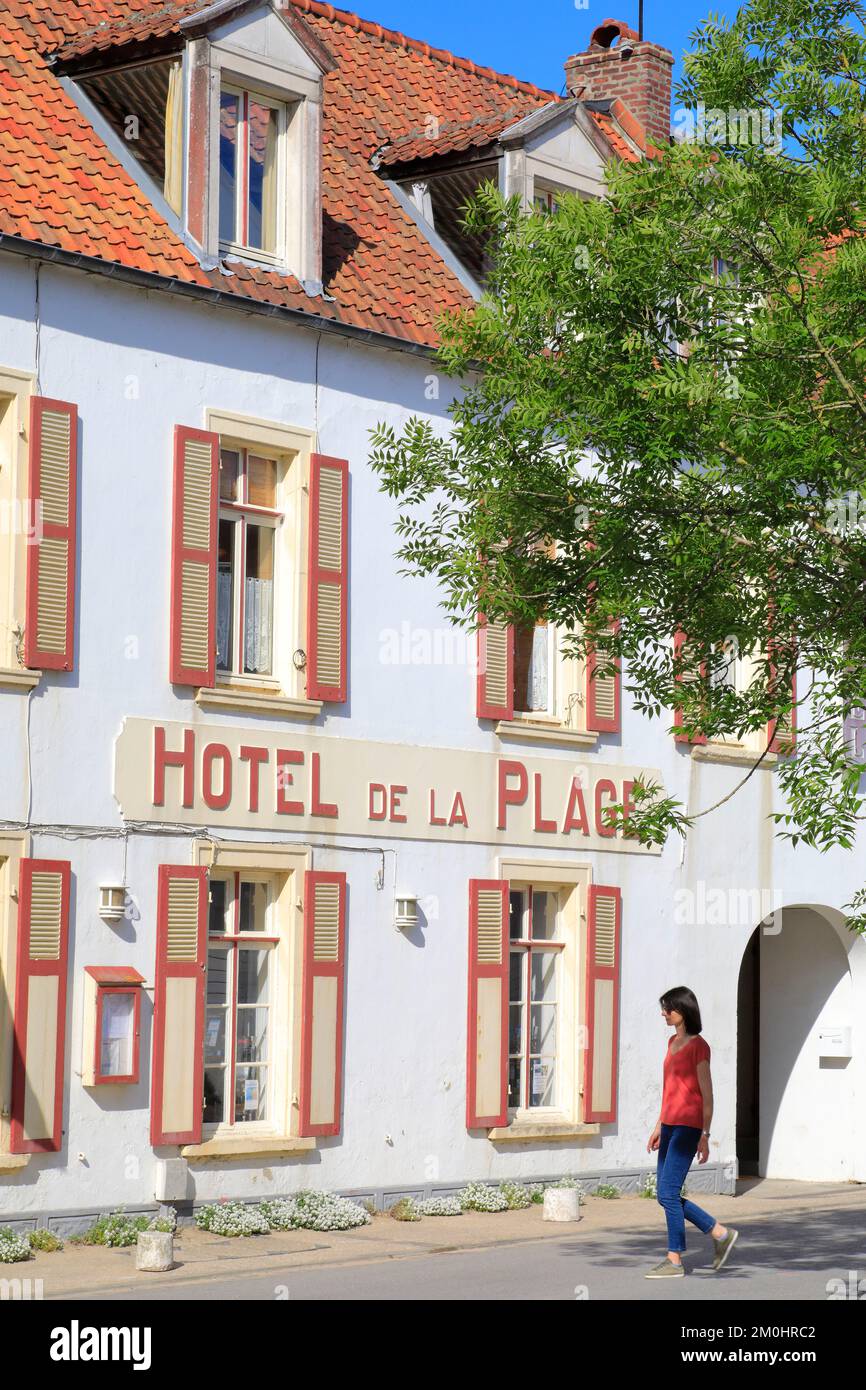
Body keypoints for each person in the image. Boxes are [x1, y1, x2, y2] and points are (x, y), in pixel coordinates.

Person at [645, 986, 739, 1278]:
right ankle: (720, 1233)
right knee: (664, 1194)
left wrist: (705, 1135)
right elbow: (669, 1089)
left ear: (681, 1011)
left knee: (669, 1194)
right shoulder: (671, 1042)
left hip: (689, 1127)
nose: (663, 1013)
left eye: (667, 1008)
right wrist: (660, 1124)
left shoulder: (699, 1046)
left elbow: (707, 1095)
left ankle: (674, 1260)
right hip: (671, 1125)